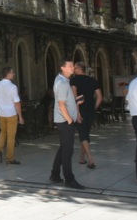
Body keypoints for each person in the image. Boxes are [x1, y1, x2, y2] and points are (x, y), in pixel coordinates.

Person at [49, 58, 84, 189]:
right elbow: (61, 104)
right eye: (69, 66)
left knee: (64, 148)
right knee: (68, 151)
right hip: (65, 121)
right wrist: (69, 119)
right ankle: (69, 179)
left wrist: (76, 105)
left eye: (72, 66)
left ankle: (55, 174)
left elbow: (65, 101)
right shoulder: (62, 83)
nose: (72, 68)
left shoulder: (63, 81)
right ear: (62, 68)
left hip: (65, 119)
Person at [70, 62, 102, 169]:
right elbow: (99, 97)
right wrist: (94, 108)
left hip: (80, 110)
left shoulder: (74, 80)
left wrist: (77, 111)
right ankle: (81, 158)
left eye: (75, 68)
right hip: (90, 110)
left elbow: (75, 97)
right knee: (85, 133)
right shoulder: (93, 80)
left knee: (83, 134)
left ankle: (90, 158)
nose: (73, 70)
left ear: (79, 69)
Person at [0, 67, 24, 165]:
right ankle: (10, 157)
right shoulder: (13, 87)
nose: (13, 74)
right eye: (12, 72)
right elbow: (17, 103)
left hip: (1, 113)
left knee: (3, 132)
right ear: (8, 74)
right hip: (11, 113)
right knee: (11, 136)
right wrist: (20, 116)